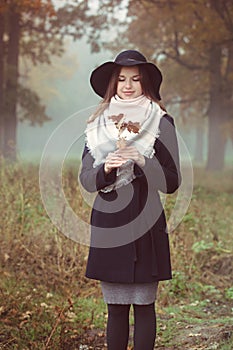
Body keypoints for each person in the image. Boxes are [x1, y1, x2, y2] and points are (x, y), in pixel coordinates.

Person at [79, 50, 181, 350]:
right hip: (109, 224)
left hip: (147, 224)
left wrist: (142, 160)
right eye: (121, 79)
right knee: (116, 308)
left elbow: (173, 182)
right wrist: (106, 169)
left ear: (145, 82)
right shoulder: (97, 124)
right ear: (113, 83)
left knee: (144, 306)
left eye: (135, 79)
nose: (128, 85)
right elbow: (86, 180)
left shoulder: (161, 121)